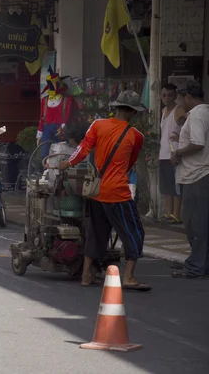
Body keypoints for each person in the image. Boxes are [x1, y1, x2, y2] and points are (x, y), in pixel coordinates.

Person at [58, 91, 150, 291]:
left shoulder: (98, 125)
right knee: (134, 233)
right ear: (132, 112)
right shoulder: (136, 136)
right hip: (118, 193)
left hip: (97, 190)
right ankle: (129, 276)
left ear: (116, 108)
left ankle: (86, 275)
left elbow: (83, 149)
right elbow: (130, 163)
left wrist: (67, 163)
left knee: (97, 232)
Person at [171, 80, 209, 279]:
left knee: (195, 222)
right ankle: (202, 264)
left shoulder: (196, 116)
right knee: (201, 221)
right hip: (201, 173)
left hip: (197, 174)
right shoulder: (204, 112)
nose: (180, 103)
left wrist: (178, 153)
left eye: (181, 98)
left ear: (189, 97)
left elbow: (198, 143)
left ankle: (195, 266)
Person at [158, 83, 186, 224]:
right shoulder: (163, 111)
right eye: (164, 95)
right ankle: (168, 213)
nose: (167, 98)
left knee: (176, 185)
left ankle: (176, 214)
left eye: (170, 95)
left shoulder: (179, 110)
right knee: (166, 186)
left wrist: (181, 138)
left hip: (174, 153)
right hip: (163, 153)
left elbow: (191, 123)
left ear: (175, 95)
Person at [37, 67, 76, 161]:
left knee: (61, 154)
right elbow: (42, 117)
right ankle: (46, 171)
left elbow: (69, 115)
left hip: (61, 130)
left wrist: (63, 126)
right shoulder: (45, 100)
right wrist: (39, 133)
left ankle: (61, 174)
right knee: (45, 154)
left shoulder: (68, 100)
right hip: (47, 130)